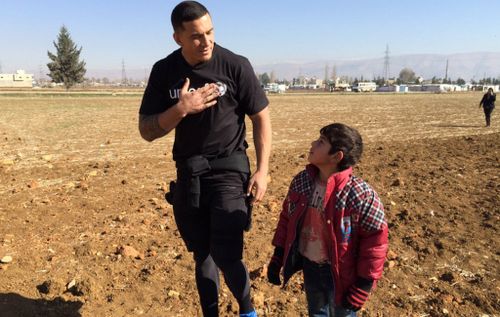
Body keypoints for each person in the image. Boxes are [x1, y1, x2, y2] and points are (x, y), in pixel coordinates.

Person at [138, 2, 271, 317]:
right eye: (196, 36)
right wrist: (182, 109)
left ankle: (247, 311)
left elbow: (261, 117)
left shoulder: (235, 65)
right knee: (203, 255)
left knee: (227, 253)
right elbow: (146, 130)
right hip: (190, 174)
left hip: (229, 170)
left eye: (210, 32)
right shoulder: (164, 71)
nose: (206, 41)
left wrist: (263, 170)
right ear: (177, 38)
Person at [266, 123, 388, 317]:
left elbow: (375, 243)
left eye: (321, 142)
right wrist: (279, 255)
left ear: (336, 156)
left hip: (342, 274)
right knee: (317, 313)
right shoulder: (302, 182)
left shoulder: (360, 195)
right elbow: (286, 219)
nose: (313, 143)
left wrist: (364, 284)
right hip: (311, 267)